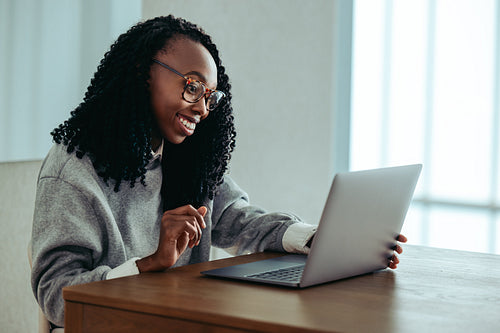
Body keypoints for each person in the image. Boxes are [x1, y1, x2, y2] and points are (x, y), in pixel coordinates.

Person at [30, 15, 406, 329]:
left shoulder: (184, 155)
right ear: (144, 74)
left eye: (210, 96)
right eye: (192, 87)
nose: (203, 109)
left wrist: (315, 239)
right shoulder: (74, 170)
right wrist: (148, 265)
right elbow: (56, 295)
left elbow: (237, 219)